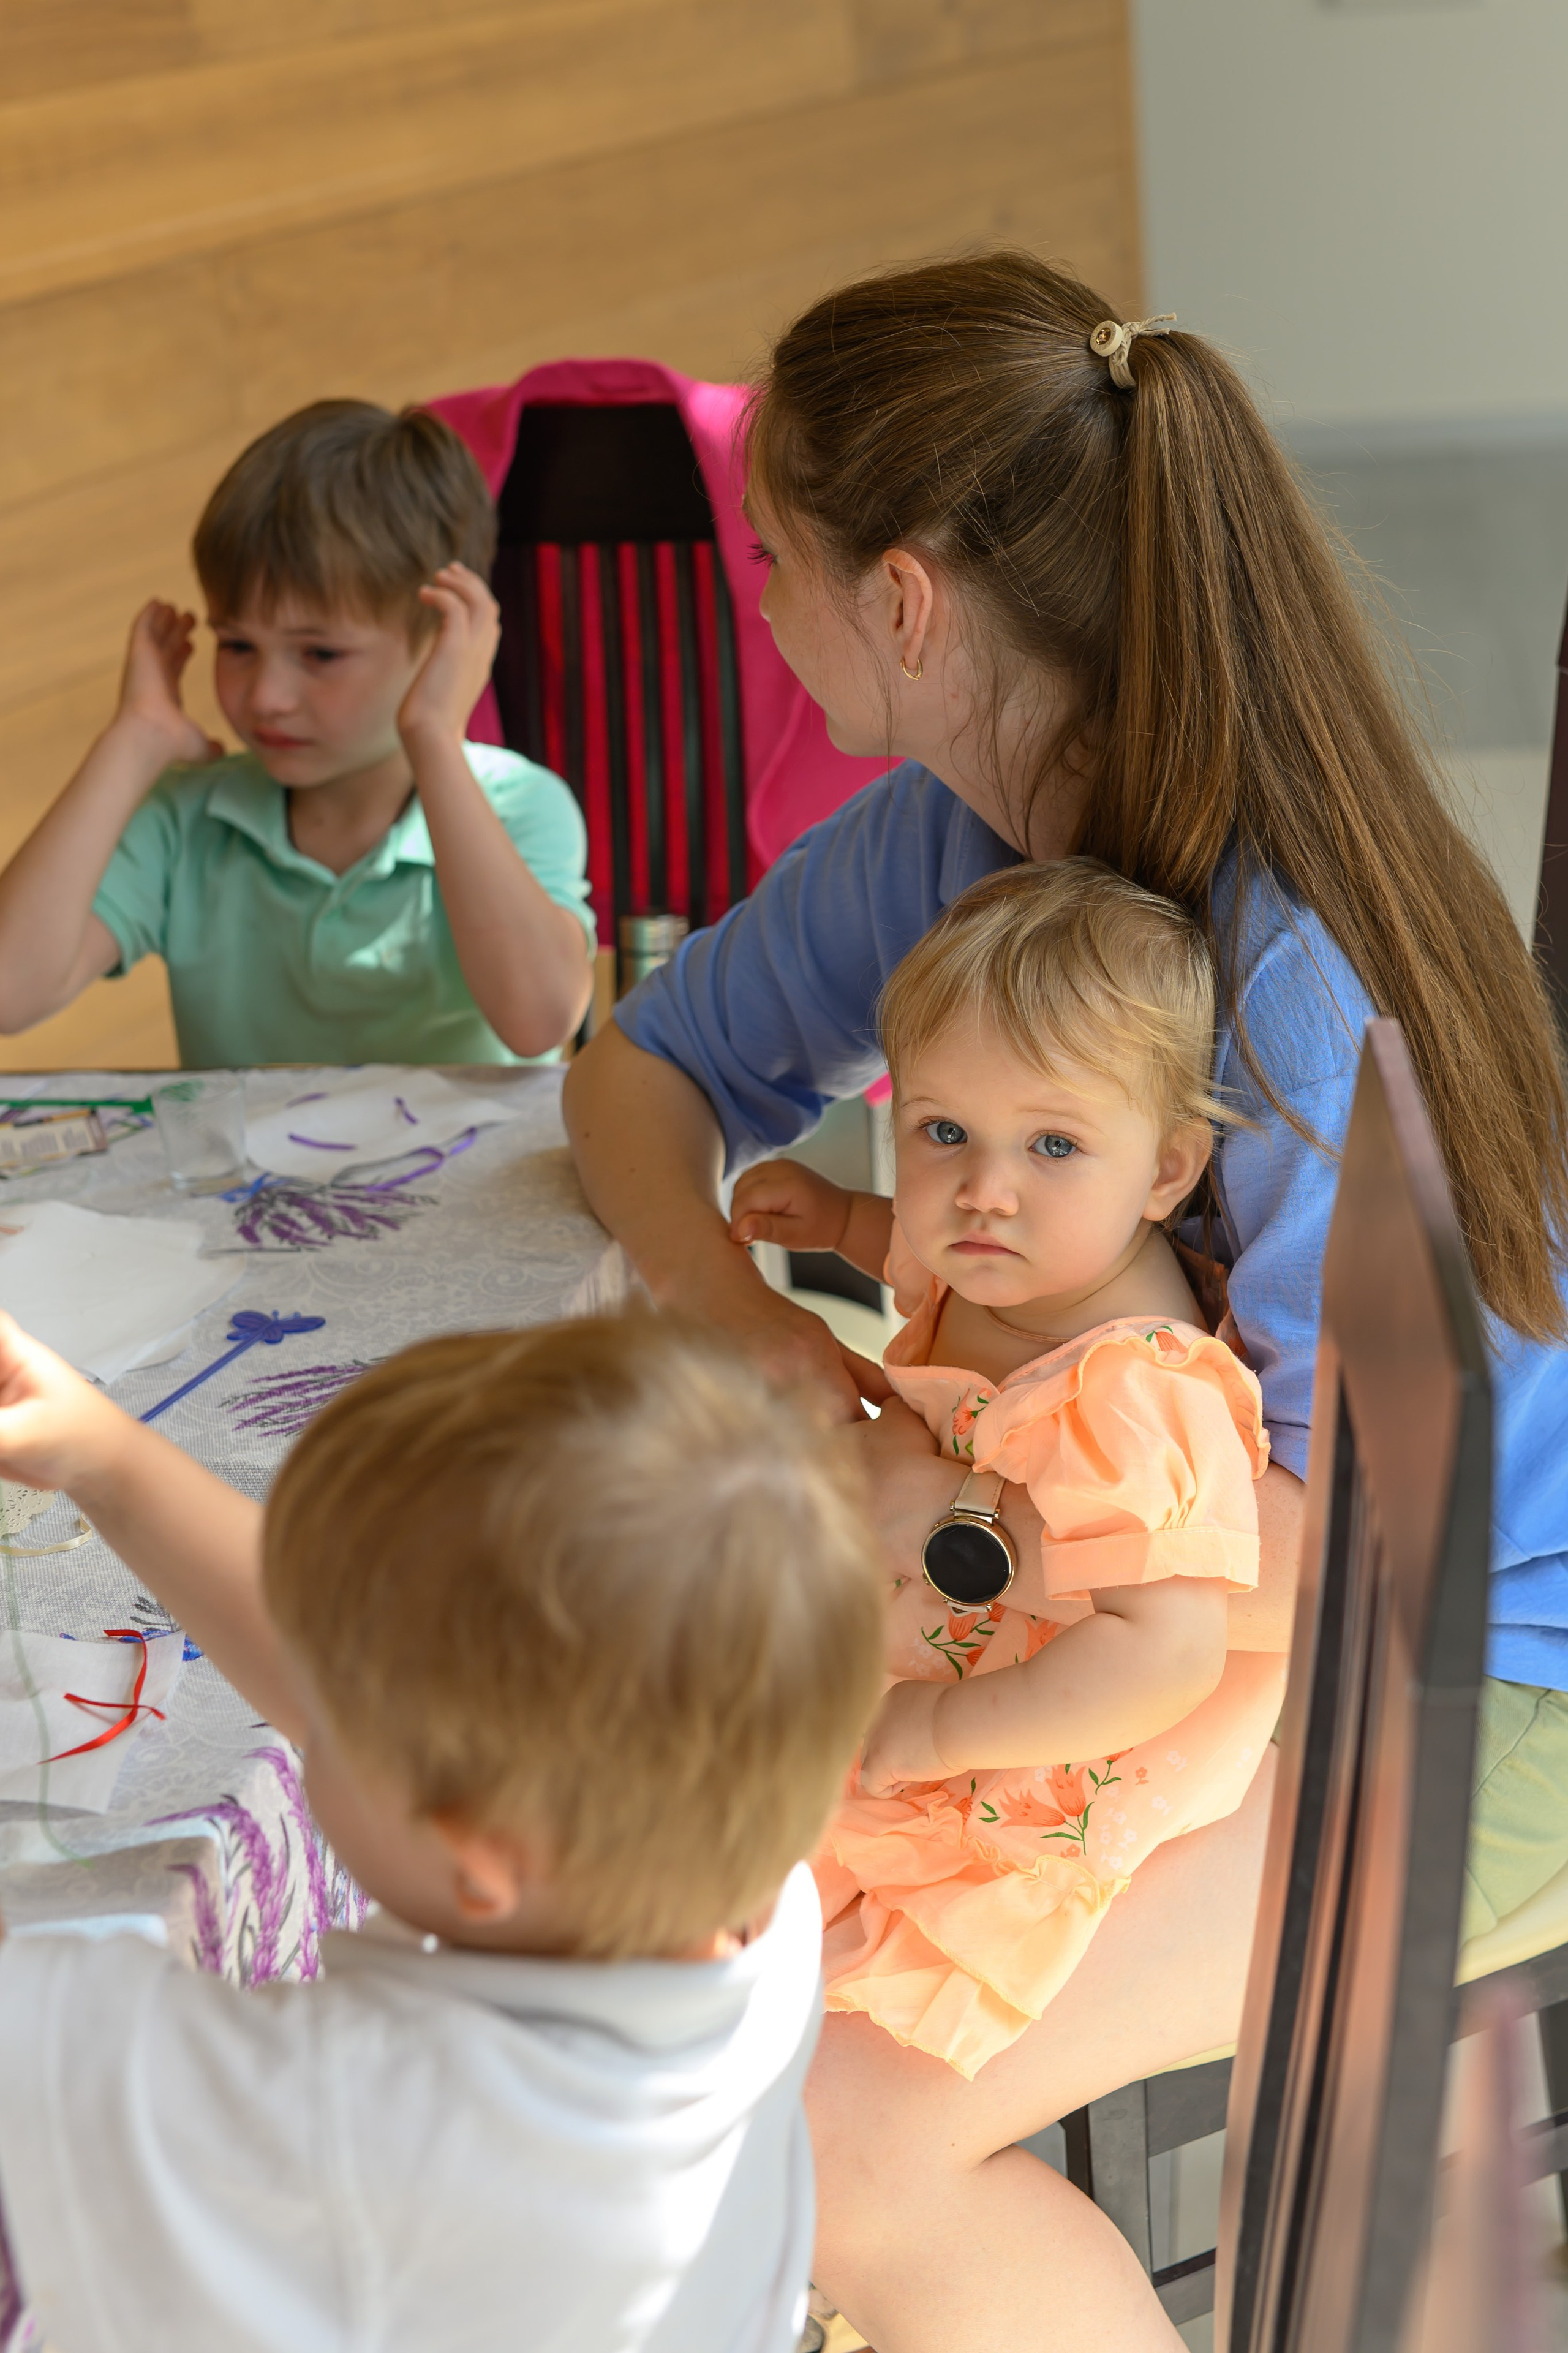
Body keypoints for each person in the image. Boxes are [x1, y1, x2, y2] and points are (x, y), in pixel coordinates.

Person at [564, 252, 1568, 2351]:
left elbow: (1381, 1544)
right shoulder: (955, 846)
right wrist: (770, 1343)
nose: (757, 602)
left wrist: (982, 1515)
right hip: (1161, 1608)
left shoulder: (1282, 994)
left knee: (830, 2119)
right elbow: (644, 1072)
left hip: (1480, 1664)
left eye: (776, 561)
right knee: (699, 1904)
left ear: (905, 605)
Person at [0, 1310, 883, 2352]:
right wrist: (104, 1458)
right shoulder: (758, 1904)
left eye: (325, 1728)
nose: (302, 1721)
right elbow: (393, 1692)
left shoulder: (357, 2114)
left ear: (476, 1856)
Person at [731, 861, 1286, 2082]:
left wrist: (936, 1728)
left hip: (1009, 1787)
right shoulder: (1016, 1260)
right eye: (942, 1131)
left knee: (753, 2009)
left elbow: (1166, 1647)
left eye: (1051, 1142)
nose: (982, 1191)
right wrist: (840, 1220)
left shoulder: (1134, 1390)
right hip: (889, 1691)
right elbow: (922, 1253)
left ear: (1163, 1171)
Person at [0, 400, 594, 1067]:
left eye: (320, 654)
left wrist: (433, 731)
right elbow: (10, 991)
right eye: (237, 645)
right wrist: (134, 740)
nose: (266, 698)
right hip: (249, 1176)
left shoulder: (520, 805)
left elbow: (540, 1020)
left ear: (442, 643)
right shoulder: (188, 817)